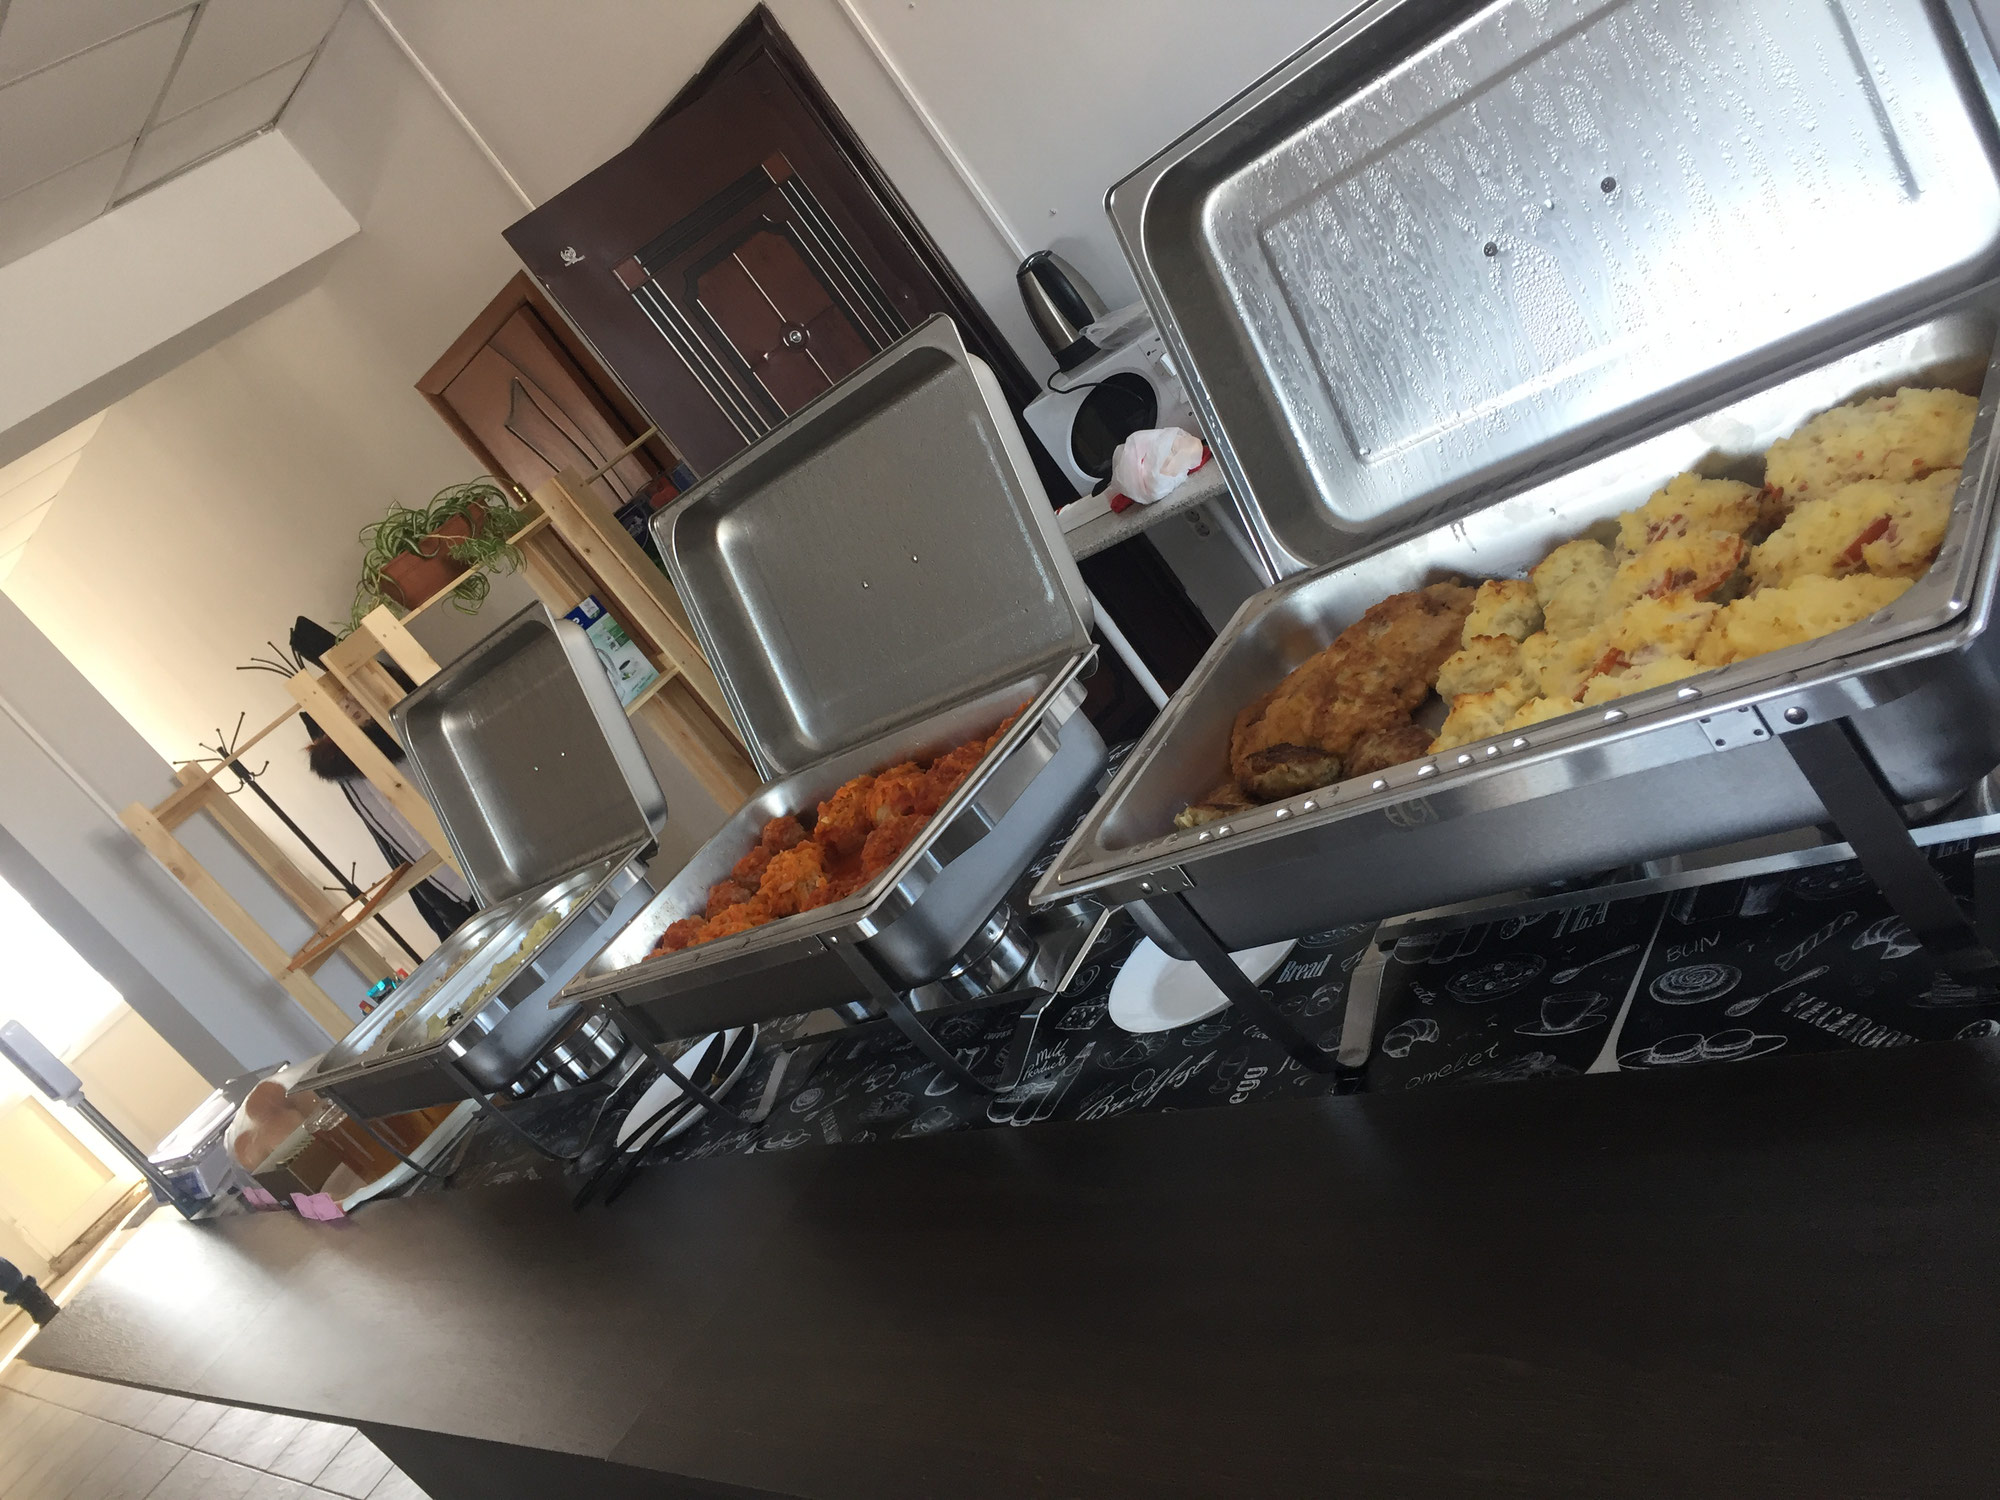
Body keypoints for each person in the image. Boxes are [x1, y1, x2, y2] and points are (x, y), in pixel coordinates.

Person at [290, 619, 476, 941]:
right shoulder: (349, 758)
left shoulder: (392, 698)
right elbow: (395, 832)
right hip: (449, 862)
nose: (349, 706)